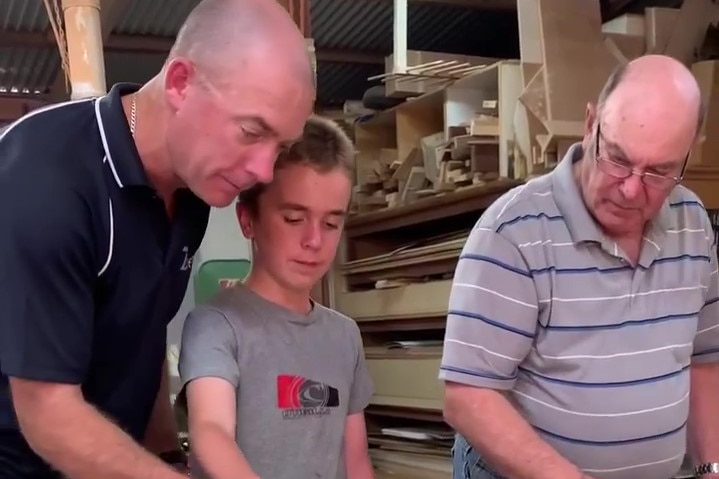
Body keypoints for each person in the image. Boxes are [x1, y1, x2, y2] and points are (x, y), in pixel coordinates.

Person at [0, 0, 315, 477]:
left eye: (281, 147)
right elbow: (47, 411)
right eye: (252, 132)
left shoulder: (193, 194)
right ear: (180, 83)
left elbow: (143, 339)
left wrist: (169, 455)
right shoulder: (46, 178)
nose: (263, 170)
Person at [439, 54, 719, 479]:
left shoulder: (693, 224)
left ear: (686, 157)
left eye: (658, 172)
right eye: (618, 159)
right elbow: (468, 396)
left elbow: (704, 361)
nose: (629, 189)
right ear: (591, 125)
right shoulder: (513, 232)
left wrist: (709, 467)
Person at [178, 115, 375, 479]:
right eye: (294, 218)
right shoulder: (216, 326)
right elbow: (211, 433)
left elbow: (356, 460)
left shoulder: (345, 336)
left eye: (331, 223)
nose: (314, 240)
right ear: (247, 220)